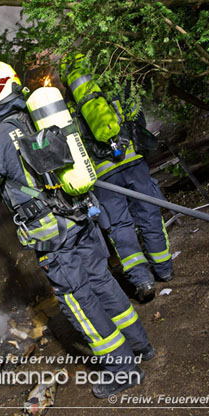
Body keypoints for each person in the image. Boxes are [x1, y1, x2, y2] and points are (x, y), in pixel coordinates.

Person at [0, 61, 153, 398]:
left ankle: (123, 369)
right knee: (102, 281)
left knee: (78, 299)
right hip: (83, 218)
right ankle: (140, 346)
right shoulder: (40, 116)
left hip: (53, 238)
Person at [61, 55, 174, 303]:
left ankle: (142, 281)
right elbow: (136, 115)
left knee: (119, 227)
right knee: (149, 212)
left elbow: (72, 145)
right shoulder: (108, 86)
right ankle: (164, 269)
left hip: (103, 176)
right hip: (132, 161)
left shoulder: (68, 108)